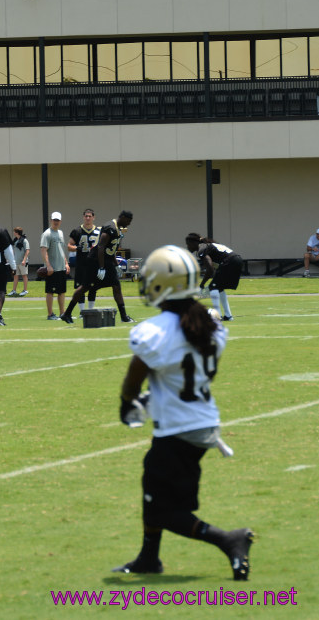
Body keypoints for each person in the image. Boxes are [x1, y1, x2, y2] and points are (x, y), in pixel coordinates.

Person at [111, 244, 253, 580]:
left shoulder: (156, 331)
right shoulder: (208, 325)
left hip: (179, 431)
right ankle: (149, 557)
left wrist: (128, 401)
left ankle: (228, 540)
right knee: (151, 490)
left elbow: (135, 376)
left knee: (162, 508)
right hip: (199, 422)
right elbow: (189, 374)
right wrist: (154, 399)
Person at [60, 210, 134, 324]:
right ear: (123, 217)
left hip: (105, 260)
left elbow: (111, 250)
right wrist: (101, 267)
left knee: (114, 285)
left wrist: (116, 265)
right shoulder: (111, 227)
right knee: (87, 287)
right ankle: (67, 313)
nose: (129, 224)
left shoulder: (117, 229)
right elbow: (100, 247)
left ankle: (67, 313)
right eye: (128, 221)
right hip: (96, 260)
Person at [185, 232, 243, 322]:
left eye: (188, 244)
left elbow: (210, 269)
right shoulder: (207, 245)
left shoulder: (201, 249)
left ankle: (217, 316)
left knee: (213, 287)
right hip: (237, 260)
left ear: (194, 243)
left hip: (230, 261)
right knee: (219, 288)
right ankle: (228, 316)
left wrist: (202, 284)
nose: (188, 247)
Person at [68, 208, 101, 316]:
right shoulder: (77, 231)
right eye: (86, 216)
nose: (87, 218)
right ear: (83, 217)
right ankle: (82, 312)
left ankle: (90, 310)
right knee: (80, 287)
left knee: (93, 288)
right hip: (81, 264)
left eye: (89, 216)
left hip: (93, 264)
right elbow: (69, 246)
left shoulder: (98, 231)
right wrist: (76, 247)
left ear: (93, 217)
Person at [40, 212, 70, 320]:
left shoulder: (61, 233)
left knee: (62, 291)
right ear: (50, 220)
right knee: (50, 292)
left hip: (61, 267)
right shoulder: (47, 234)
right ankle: (50, 314)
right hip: (52, 268)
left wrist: (66, 263)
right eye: (54, 220)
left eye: (58, 220)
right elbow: (43, 250)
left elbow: (62, 250)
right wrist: (48, 266)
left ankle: (63, 313)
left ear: (60, 221)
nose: (56, 222)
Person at [8, 227, 30, 297]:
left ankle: (25, 290)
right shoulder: (15, 240)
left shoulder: (24, 240)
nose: (13, 233)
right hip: (16, 262)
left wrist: (24, 260)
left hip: (23, 262)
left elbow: (27, 250)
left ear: (17, 232)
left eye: (14, 232)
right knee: (15, 276)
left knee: (24, 276)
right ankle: (14, 291)